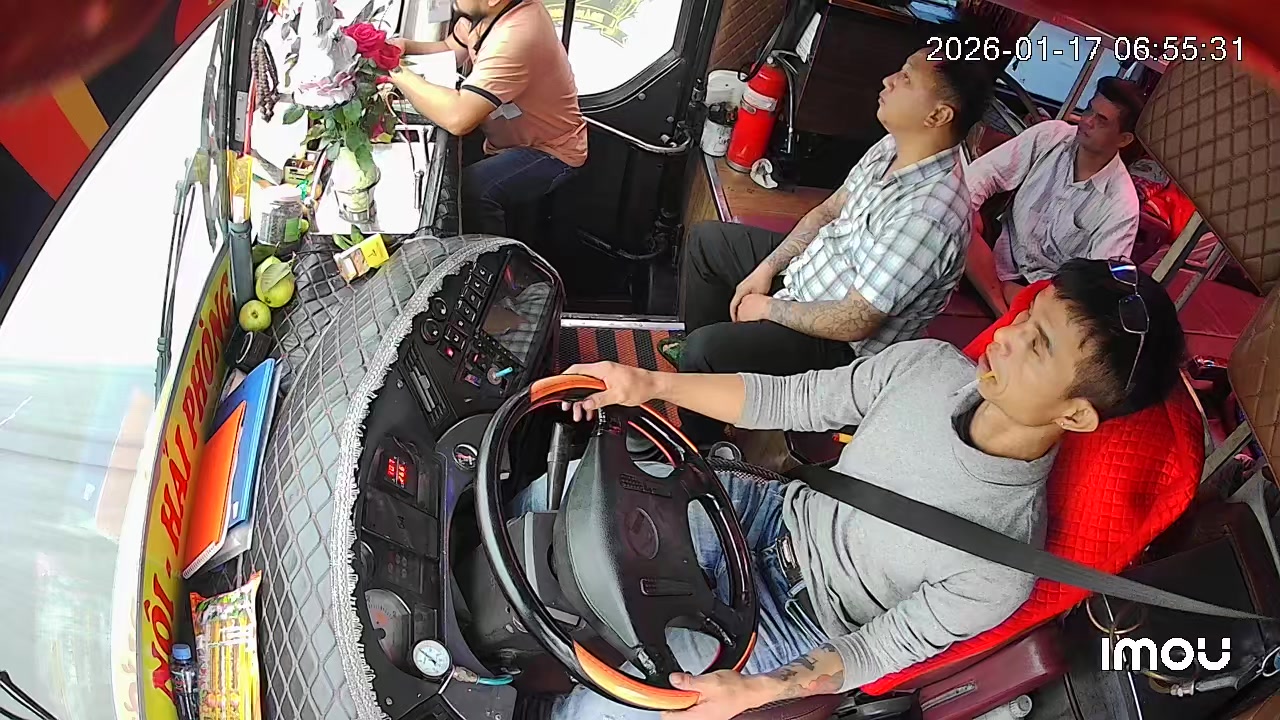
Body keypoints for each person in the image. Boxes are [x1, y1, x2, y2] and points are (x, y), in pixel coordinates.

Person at [516, 258, 1185, 720]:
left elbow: (874, 651)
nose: (1005, 336)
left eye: (1037, 346)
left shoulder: (1000, 563)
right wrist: (650, 384)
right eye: (1024, 316)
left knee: (607, 706)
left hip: (789, 620)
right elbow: (795, 399)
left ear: (1076, 415)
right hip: (757, 512)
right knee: (558, 498)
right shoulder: (928, 367)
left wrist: (756, 691)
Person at [667, 47, 994, 446]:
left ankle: (701, 444)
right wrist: (767, 269)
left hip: (840, 346)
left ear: (938, 116)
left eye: (907, 78)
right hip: (808, 279)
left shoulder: (929, 214)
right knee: (707, 242)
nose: (889, 80)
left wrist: (767, 308)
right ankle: (713, 386)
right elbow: (827, 212)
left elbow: (857, 320)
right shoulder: (893, 147)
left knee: (703, 351)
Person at [387, 0, 588, 236]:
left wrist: (395, 71)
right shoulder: (483, 13)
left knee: (471, 191)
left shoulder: (517, 35)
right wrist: (405, 47)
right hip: (505, 140)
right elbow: (451, 49)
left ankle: (495, 256)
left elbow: (458, 118)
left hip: (550, 150)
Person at [963, 76, 1147, 315]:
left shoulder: (1121, 205)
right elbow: (984, 175)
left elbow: (1097, 283)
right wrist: (963, 212)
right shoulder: (1051, 135)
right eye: (1089, 109)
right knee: (958, 211)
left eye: (1101, 120)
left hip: (1044, 288)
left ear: (1124, 139)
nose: (1086, 120)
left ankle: (998, 294)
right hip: (999, 246)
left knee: (1069, 308)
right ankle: (1000, 304)